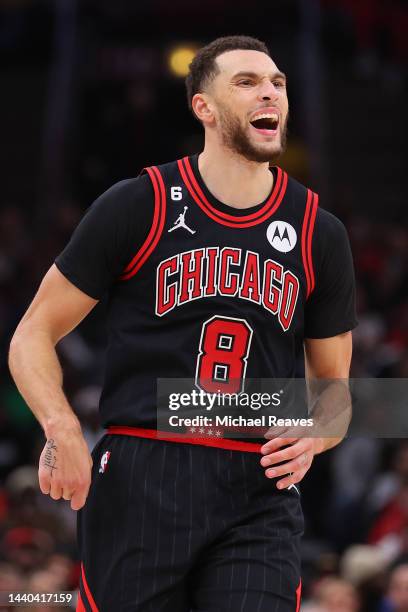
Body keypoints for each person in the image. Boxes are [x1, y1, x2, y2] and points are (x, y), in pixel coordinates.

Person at [8, 35, 357, 611]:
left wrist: (322, 430)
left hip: (258, 483)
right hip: (144, 469)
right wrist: (62, 426)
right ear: (204, 107)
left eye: (277, 83)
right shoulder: (138, 203)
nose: (269, 92)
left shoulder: (321, 231)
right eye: (247, 82)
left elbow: (335, 389)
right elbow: (31, 335)